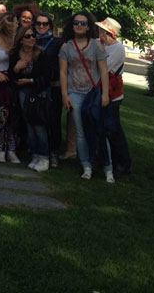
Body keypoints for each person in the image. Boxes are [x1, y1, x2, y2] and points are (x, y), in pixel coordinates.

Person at [58, 11, 112, 182]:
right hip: (75, 93)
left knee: (99, 130)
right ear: (72, 26)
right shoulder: (66, 47)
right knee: (80, 132)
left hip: (93, 93)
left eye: (83, 23)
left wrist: (105, 94)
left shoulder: (96, 46)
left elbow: (103, 71)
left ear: (89, 26)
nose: (79, 26)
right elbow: (63, 72)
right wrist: (65, 95)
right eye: (76, 23)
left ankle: (107, 168)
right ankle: (86, 166)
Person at [11, 25, 54, 171]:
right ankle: (35, 154)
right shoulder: (15, 54)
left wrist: (31, 81)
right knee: (29, 124)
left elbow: (48, 76)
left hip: (39, 91)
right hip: (23, 92)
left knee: (39, 124)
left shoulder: (41, 54)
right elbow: (12, 77)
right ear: (21, 39)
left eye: (33, 36)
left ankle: (44, 156)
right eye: (27, 36)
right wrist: (17, 68)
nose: (31, 39)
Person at [96, 17, 131, 176]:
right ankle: (105, 159)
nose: (99, 33)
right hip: (102, 91)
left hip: (113, 94)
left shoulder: (117, 48)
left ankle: (122, 163)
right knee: (103, 128)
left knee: (113, 129)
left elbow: (103, 68)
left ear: (107, 33)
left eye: (102, 31)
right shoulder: (100, 44)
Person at [33, 11, 62, 167]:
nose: (41, 26)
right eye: (39, 23)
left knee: (53, 120)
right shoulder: (29, 40)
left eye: (45, 24)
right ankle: (38, 150)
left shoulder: (57, 42)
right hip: (35, 85)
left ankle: (54, 152)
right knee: (37, 119)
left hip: (53, 87)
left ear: (50, 26)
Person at [0, 12, 18, 163]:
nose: (17, 26)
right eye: (15, 23)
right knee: (2, 116)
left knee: (12, 116)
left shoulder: (15, 41)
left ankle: (11, 149)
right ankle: (0, 148)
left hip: (12, 83)